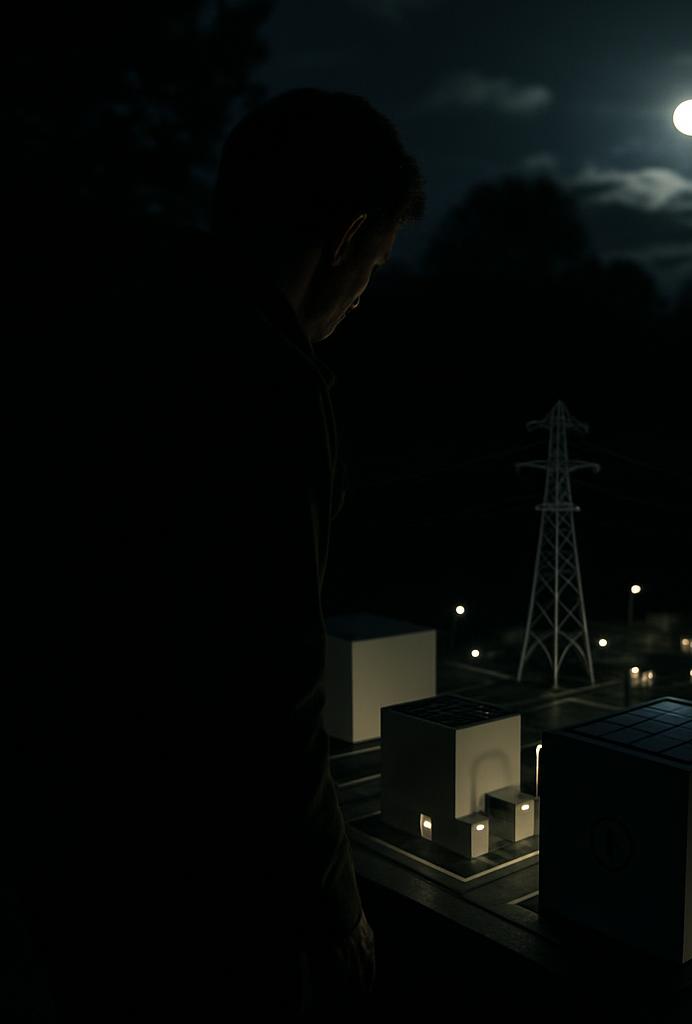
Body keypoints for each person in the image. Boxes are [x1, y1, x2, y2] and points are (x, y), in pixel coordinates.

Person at [17, 89, 424, 1020]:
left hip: (70, 827)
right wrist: (334, 904)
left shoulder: (108, 326)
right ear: (346, 236)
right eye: (372, 266)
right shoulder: (267, 381)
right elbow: (268, 679)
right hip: (198, 871)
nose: (364, 295)